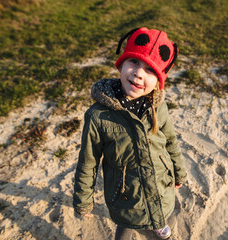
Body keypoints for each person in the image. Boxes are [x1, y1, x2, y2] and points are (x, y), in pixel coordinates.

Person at [73, 27, 187, 240]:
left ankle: (160, 228)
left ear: (159, 80)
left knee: (163, 219)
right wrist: (83, 200)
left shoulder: (157, 107)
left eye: (150, 69)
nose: (139, 73)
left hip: (160, 188)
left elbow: (170, 141)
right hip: (126, 198)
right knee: (126, 225)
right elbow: (88, 161)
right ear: (121, 64)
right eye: (134, 62)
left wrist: (179, 172)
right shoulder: (98, 116)